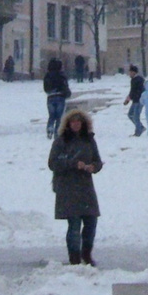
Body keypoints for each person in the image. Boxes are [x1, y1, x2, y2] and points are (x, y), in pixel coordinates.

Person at [48, 108, 102, 266]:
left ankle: (87, 254)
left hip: (85, 187)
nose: (76, 125)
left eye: (79, 122)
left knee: (91, 222)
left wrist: (94, 167)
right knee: (74, 224)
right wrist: (72, 163)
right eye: (73, 122)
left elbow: (98, 161)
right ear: (68, 124)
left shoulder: (89, 140)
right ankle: (75, 257)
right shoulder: (61, 141)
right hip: (68, 187)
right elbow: (53, 163)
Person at [43, 57, 70, 139]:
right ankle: (57, 132)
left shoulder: (47, 75)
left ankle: (50, 129)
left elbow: (45, 87)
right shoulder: (61, 75)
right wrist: (67, 93)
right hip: (60, 97)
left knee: (51, 115)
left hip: (50, 97)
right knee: (59, 116)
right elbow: (65, 86)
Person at [125, 65, 146, 136]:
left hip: (139, 101)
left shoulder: (138, 80)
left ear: (134, 72)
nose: (129, 74)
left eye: (130, 72)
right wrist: (128, 98)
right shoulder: (134, 80)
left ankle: (138, 132)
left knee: (136, 116)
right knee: (130, 114)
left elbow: (136, 91)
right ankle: (140, 127)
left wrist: (129, 98)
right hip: (135, 100)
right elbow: (132, 91)